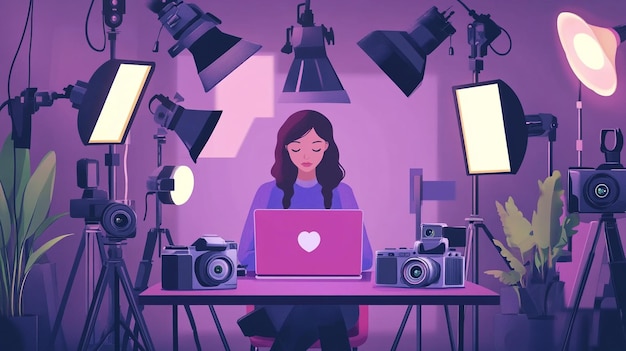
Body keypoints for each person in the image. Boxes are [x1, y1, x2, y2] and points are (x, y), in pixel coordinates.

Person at [237, 110, 373, 351]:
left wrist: (319, 263)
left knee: (321, 307)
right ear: (286, 149)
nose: (306, 155)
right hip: (279, 302)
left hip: (337, 301)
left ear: (327, 147)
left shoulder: (343, 193)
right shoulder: (267, 193)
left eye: (315, 146)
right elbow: (245, 256)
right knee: (319, 310)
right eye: (297, 147)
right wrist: (288, 261)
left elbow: (365, 258)